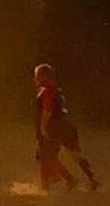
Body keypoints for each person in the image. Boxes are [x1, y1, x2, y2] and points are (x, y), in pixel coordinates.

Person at [33, 63, 100, 192]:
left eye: (37, 76)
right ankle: (92, 179)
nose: (36, 79)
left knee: (46, 155)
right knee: (75, 155)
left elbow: (47, 110)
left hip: (54, 127)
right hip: (66, 125)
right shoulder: (57, 90)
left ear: (44, 76)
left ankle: (61, 181)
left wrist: (42, 127)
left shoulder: (48, 90)